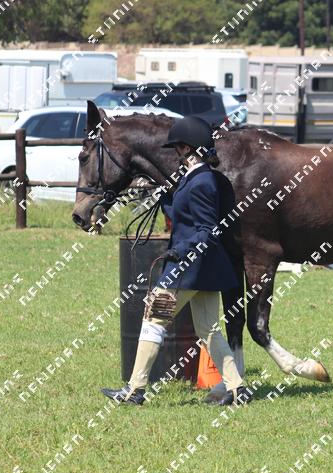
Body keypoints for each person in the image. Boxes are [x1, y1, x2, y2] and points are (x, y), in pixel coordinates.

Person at [100, 116, 251, 407]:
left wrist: (180, 250)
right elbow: (186, 216)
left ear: (188, 147)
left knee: (153, 319)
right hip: (203, 269)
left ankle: (135, 389)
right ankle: (237, 388)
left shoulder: (202, 182)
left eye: (179, 148)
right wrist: (162, 198)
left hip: (187, 268)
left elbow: (207, 229)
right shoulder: (196, 178)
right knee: (208, 329)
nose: (177, 154)